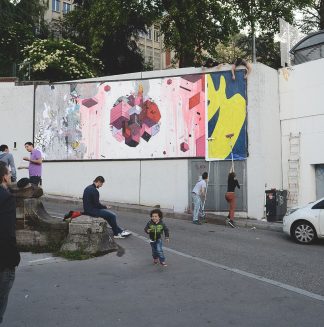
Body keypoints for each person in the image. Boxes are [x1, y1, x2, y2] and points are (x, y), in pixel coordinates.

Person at [0, 162, 21, 324]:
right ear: (3, 177)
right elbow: (7, 233)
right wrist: (14, 258)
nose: (9, 176)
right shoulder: (6, 198)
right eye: (7, 173)